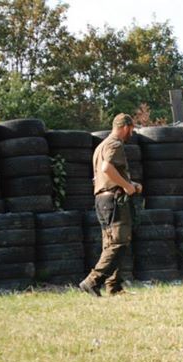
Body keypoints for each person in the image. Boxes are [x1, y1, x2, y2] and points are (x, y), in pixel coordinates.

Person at [79, 113, 142, 296]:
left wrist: (131, 184)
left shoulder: (100, 147)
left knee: (111, 243)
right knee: (119, 242)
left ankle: (113, 287)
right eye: (131, 129)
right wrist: (127, 187)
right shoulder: (115, 144)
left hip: (102, 199)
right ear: (125, 127)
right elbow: (107, 168)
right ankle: (91, 282)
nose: (132, 133)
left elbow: (100, 175)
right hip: (114, 200)